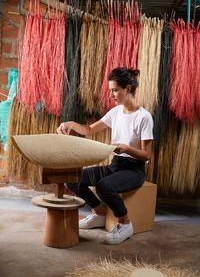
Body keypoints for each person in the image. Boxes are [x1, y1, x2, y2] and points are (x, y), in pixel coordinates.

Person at [56, 67, 154, 244]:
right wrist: (70, 124)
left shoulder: (144, 117)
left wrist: (127, 148)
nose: (111, 95)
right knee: (72, 178)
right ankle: (100, 213)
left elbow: (146, 155)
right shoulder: (115, 112)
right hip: (115, 166)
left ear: (128, 89)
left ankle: (125, 224)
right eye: (110, 91)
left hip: (134, 170)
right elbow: (88, 129)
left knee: (104, 186)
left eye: (115, 90)